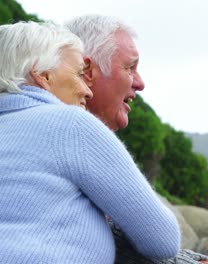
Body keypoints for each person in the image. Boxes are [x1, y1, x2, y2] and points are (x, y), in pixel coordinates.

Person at [0, 21, 181, 263]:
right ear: (43, 75)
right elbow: (163, 240)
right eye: (78, 74)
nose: (88, 90)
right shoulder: (69, 124)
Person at [65, 15, 208, 264]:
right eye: (129, 67)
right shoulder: (74, 131)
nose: (140, 83)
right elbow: (163, 241)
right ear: (87, 70)